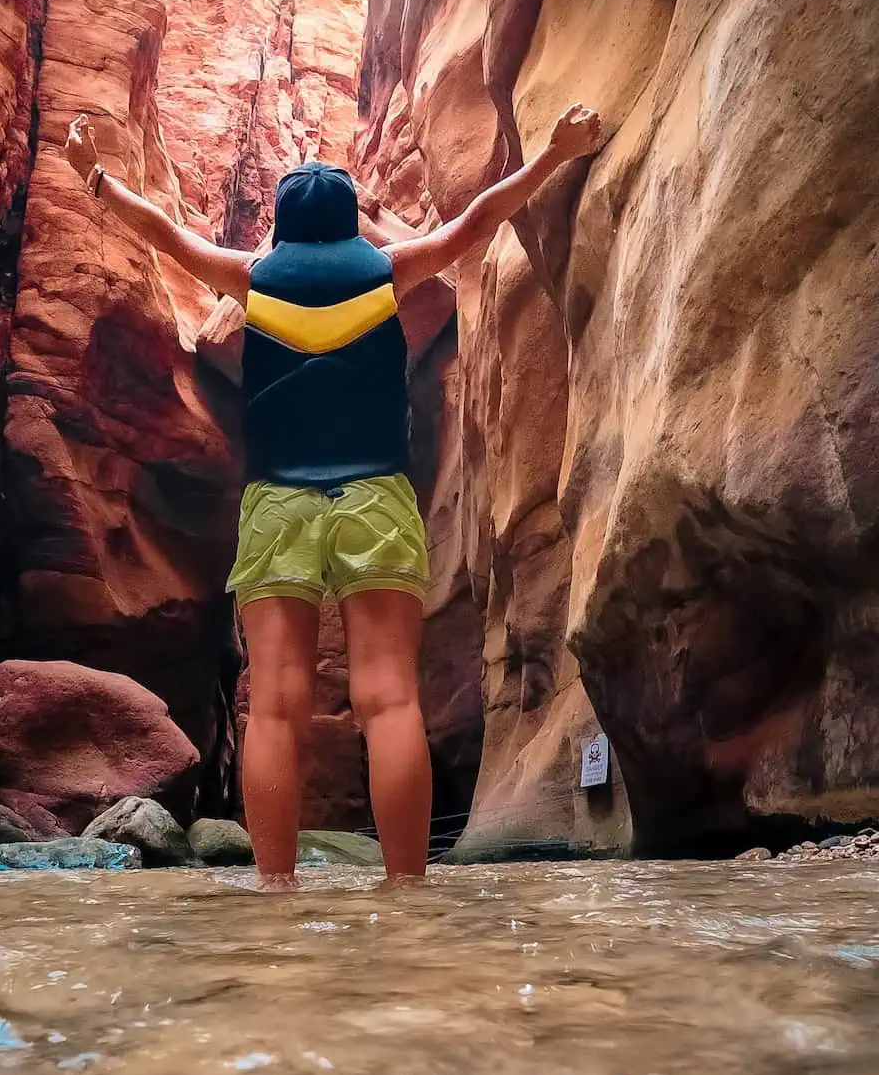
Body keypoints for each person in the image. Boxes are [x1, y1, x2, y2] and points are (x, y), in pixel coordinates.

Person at [64, 105, 602, 885]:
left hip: (279, 503)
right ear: (353, 223)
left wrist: (97, 178)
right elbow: (479, 220)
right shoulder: (387, 271)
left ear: (281, 229)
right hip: (375, 499)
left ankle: (276, 890)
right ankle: (406, 888)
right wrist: (553, 152)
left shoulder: (251, 277)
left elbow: (165, 237)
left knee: (276, 706)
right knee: (389, 700)